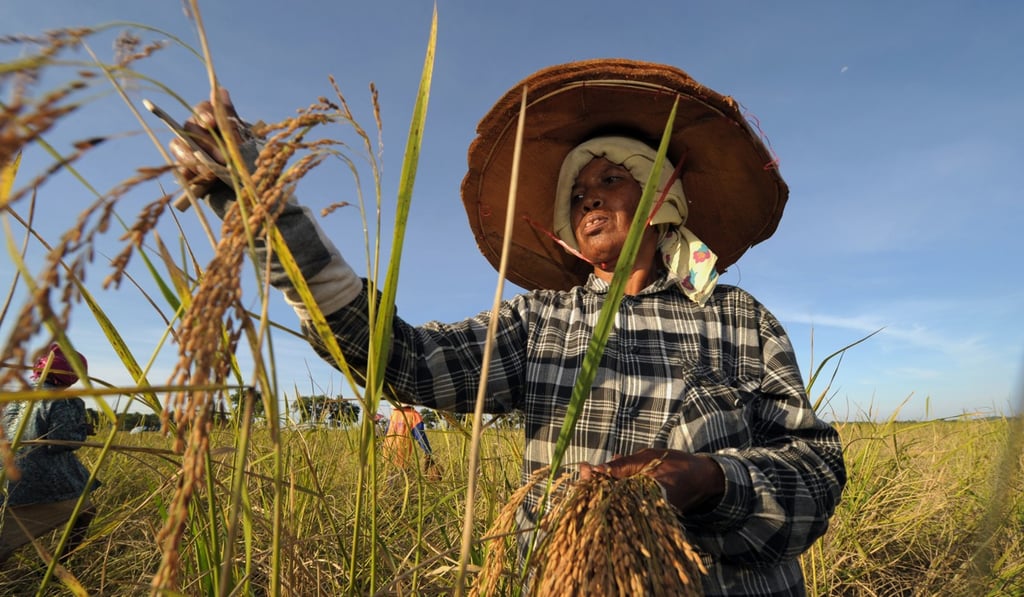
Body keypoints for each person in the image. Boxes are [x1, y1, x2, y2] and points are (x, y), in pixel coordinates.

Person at [169, 58, 846, 596]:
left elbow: (815, 472)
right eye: (577, 190)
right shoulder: (541, 322)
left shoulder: (737, 317)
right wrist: (269, 217)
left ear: (663, 196)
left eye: (612, 177)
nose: (588, 193)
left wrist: (708, 479)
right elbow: (404, 361)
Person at [1, 343, 98, 564]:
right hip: (42, 482)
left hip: (6, 476)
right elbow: (62, 441)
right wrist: (82, 429)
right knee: (85, 513)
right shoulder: (66, 401)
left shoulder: (15, 395)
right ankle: (55, 569)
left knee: (7, 535)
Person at [382, 405, 439, 478]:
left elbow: (386, 432)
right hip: (402, 453)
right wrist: (428, 451)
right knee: (400, 480)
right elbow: (420, 437)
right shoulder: (414, 415)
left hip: (387, 451)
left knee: (389, 476)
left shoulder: (394, 413)